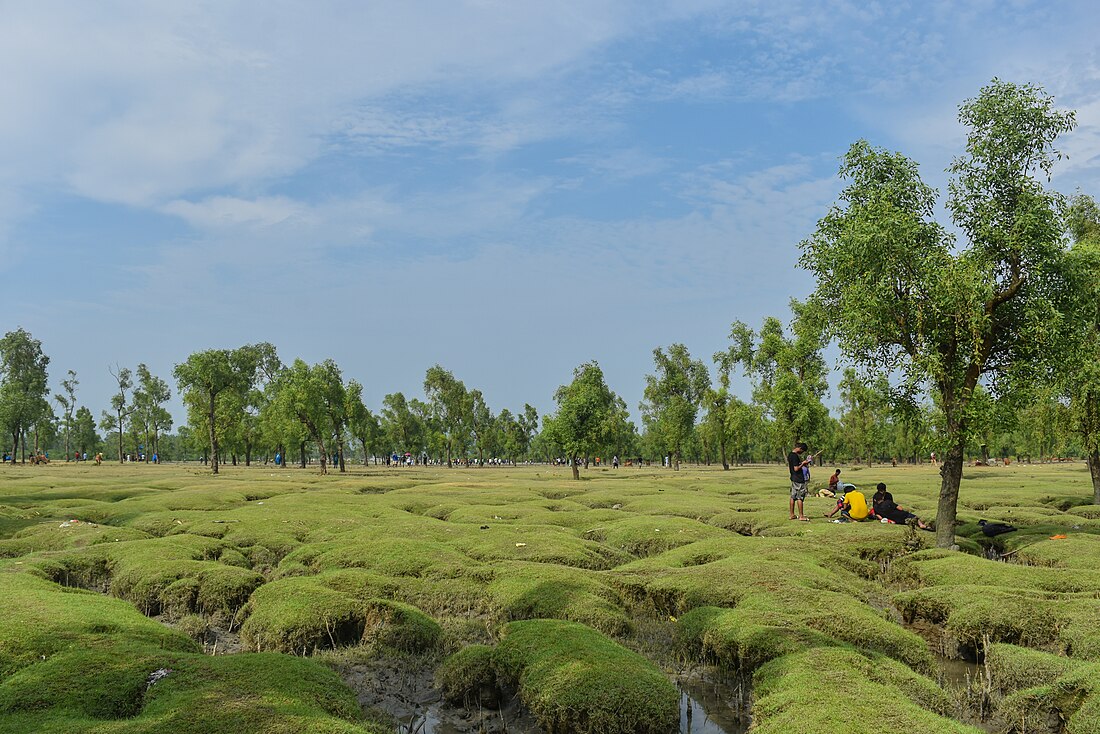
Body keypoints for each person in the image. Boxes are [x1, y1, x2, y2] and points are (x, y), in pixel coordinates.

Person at [787, 442, 812, 521]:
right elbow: (796, 468)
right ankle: (801, 516)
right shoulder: (795, 456)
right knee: (800, 497)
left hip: (793, 478)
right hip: (798, 479)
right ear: (800, 448)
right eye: (802, 451)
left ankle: (792, 514)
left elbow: (795, 466)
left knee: (793, 497)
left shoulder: (790, 454)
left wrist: (802, 463)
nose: (802, 453)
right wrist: (803, 463)